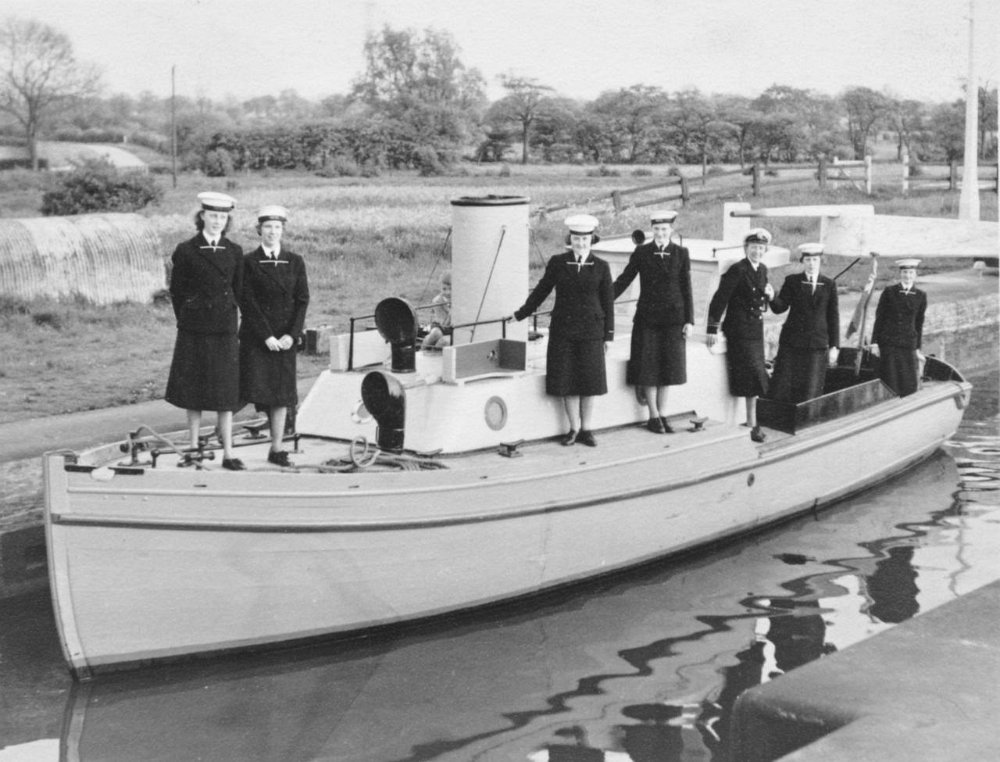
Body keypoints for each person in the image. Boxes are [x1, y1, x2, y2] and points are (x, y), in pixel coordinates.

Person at [511, 213, 614, 447]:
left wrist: (608, 335)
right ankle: (573, 428)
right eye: (577, 239)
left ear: (591, 240)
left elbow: (608, 303)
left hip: (591, 332)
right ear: (570, 240)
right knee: (568, 380)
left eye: (585, 239)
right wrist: (521, 314)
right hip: (564, 331)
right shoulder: (558, 263)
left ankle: (587, 429)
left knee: (589, 382)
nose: (581, 243)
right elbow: (541, 291)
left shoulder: (601, 266)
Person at [165, 191, 245, 469]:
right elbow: (177, 292)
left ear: (227, 220)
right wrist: (188, 318)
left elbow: (239, 291)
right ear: (202, 217)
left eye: (222, 217)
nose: (217, 221)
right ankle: (192, 448)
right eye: (212, 216)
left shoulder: (234, 251)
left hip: (224, 329)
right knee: (194, 390)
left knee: (226, 392)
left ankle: (229, 453)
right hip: (194, 329)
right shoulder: (186, 250)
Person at [239, 205, 310, 467]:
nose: (272, 232)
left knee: (281, 395)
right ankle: (225, 446)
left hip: (285, 340)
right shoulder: (248, 261)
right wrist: (266, 336)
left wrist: (292, 335)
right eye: (267, 227)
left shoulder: (295, 261)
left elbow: (302, 300)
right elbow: (247, 301)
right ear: (259, 230)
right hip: (258, 339)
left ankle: (277, 448)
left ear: (283, 230)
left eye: (277, 227)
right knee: (250, 389)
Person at [613, 209, 694, 433]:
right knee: (648, 368)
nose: (660, 233)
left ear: (671, 230)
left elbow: (686, 287)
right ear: (652, 229)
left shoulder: (681, 253)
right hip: (647, 319)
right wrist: (602, 299)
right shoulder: (642, 252)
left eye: (664, 229)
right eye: (657, 229)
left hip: (673, 320)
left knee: (668, 369)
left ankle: (663, 414)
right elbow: (624, 279)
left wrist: (689, 320)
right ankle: (653, 415)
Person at [706, 228, 775, 443]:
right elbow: (720, 299)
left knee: (756, 376)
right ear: (746, 248)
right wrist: (712, 327)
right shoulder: (738, 269)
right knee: (752, 376)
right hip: (739, 330)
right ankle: (752, 425)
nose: (757, 252)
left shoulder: (762, 269)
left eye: (761, 248)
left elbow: (761, 298)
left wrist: (771, 295)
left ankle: (752, 422)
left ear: (765, 250)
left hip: (755, 330)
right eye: (753, 247)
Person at [768, 242, 840, 403]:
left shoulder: (829, 284)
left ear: (820, 261)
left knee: (811, 388)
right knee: (784, 385)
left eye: (815, 260)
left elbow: (833, 316)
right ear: (802, 261)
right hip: (792, 343)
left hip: (817, 344)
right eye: (808, 260)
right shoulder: (792, 281)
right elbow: (780, 307)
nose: (811, 264)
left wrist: (834, 346)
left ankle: (807, 417)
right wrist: (772, 297)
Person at [870, 259, 926, 397]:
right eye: (905, 272)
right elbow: (880, 318)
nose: (907, 276)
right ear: (900, 274)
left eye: (911, 272)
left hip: (908, 344)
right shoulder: (889, 292)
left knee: (908, 382)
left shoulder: (920, 295)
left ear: (915, 274)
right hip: (889, 343)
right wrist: (874, 343)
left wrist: (918, 348)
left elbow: (919, 323)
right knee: (890, 380)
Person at [420, 271, 452, 350]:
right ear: (440, 288)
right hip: (440, 326)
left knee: (443, 343)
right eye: (444, 289)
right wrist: (451, 313)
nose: (448, 292)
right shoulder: (437, 301)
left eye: (450, 289)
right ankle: (422, 349)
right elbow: (444, 324)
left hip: (452, 329)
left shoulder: (458, 300)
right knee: (436, 334)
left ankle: (434, 352)